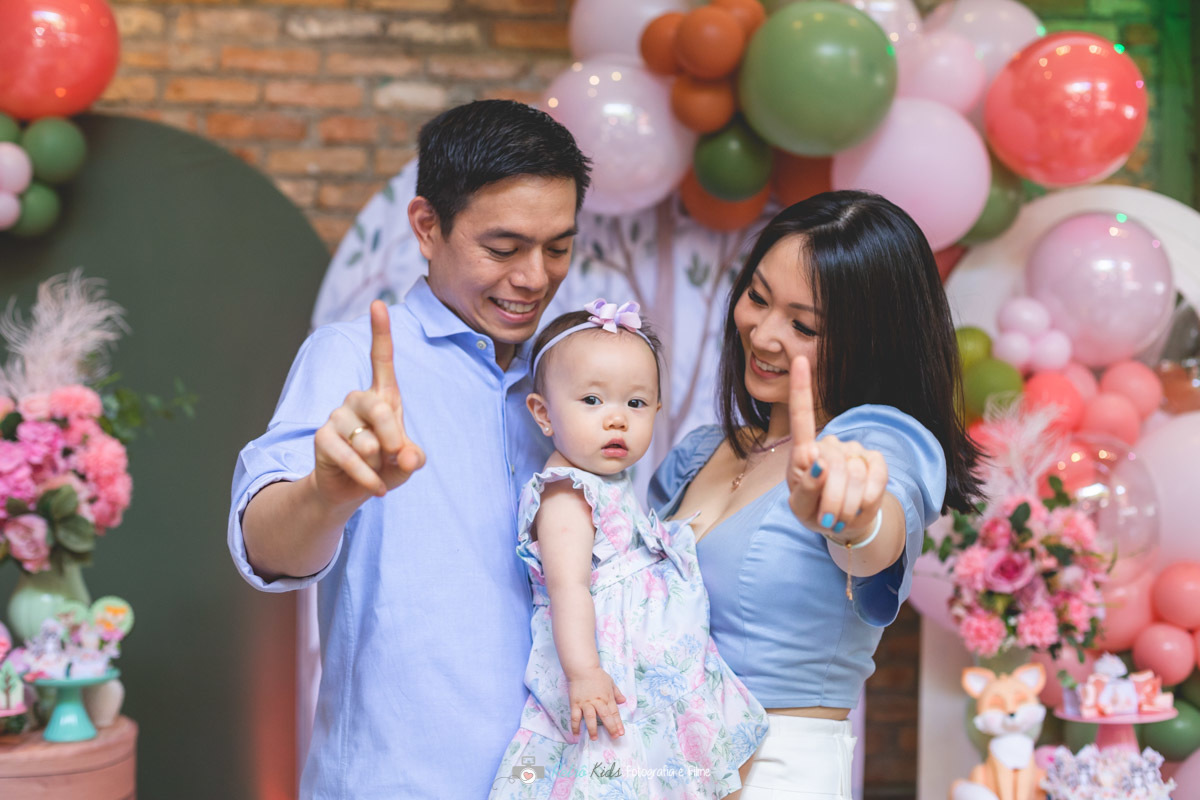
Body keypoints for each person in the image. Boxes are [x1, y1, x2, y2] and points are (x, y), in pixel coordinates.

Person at [226, 99, 591, 799]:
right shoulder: (350, 357)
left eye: (558, 247)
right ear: (427, 227)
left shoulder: (565, 381)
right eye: (504, 248)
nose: (535, 278)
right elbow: (263, 547)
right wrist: (325, 494)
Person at [649, 191, 982, 798]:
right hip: (665, 761)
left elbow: (876, 527)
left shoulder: (877, 445)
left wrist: (848, 518)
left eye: (803, 325)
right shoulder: (701, 451)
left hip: (774, 770)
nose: (764, 333)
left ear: (872, 342)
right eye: (756, 297)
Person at [489, 301, 768, 798]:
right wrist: (584, 672)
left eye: (635, 404)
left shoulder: (608, 481)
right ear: (543, 413)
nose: (616, 419)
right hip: (607, 670)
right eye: (592, 400)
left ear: (657, 411)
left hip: (652, 665)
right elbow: (569, 590)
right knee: (611, 765)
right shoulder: (565, 495)